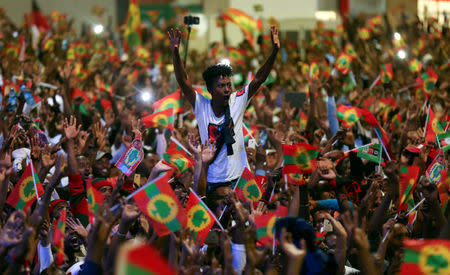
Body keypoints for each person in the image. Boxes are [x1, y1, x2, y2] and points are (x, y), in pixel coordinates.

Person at [168, 26, 280, 191]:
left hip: (239, 181)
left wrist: (274, 52)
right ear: (210, 90)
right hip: (211, 181)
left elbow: (259, 78)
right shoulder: (201, 105)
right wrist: (175, 52)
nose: (227, 89)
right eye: (221, 86)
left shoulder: (237, 100)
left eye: (229, 85)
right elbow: (183, 80)